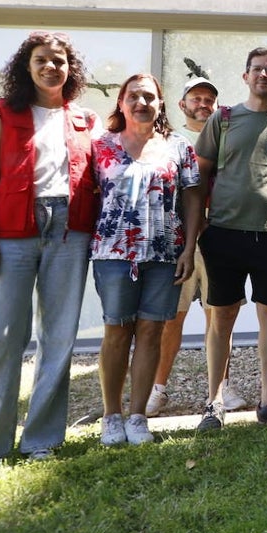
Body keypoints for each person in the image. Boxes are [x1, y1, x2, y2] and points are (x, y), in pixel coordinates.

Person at [0, 31, 100, 466]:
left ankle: (41, 439)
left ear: (70, 69)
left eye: (59, 61)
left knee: (59, 338)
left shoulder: (85, 120)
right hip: (10, 234)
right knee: (2, 338)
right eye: (41, 59)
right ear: (27, 66)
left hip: (69, 231)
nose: (50, 67)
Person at [193, 47, 267, 430]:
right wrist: (196, 232)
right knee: (222, 317)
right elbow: (197, 180)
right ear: (245, 76)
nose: (264, 74)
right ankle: (214, 404)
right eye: (257, 69)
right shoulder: (223, 119)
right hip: (223, 233)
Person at [92, 74, 203, 446]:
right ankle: (112, 416)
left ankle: (137, 416)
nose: (142, 103)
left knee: (152, 331)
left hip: (164, 254)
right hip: (114, 254)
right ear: (121, 103)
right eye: (134, 97)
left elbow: (192, 198)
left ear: (160, 105)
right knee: (117, 331)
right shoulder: (101, 146)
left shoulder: (178, 146)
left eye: (150, 97)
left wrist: (188, 248)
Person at [147, 77, 248, 416]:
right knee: (172, 317)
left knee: (218, 317)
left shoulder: (225, 140)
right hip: (178, 239)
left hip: (218, 236)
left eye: (209, 99)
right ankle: (157, 389)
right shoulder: (170, 141)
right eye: (196, 98)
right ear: (182, 104)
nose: (203, 104)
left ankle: (219, 389)